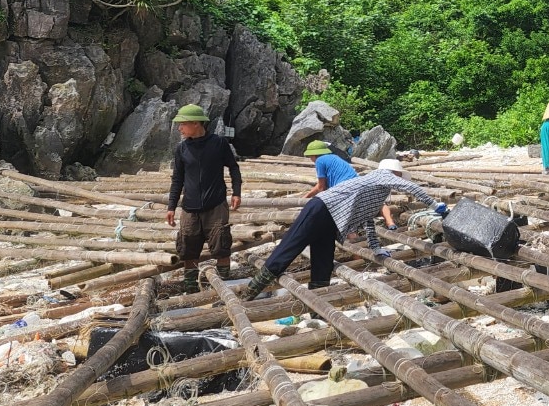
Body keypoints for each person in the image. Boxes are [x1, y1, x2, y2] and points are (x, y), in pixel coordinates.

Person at [241, 158, 445, 299]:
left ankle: (317, 301)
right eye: (398, 175)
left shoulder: (379, 190)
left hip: (332, 218)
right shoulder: (382, 175)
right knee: (290, 247)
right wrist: (435, 205)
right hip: (321, 207)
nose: (399, 179)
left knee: (323, 259)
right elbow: (413, 188)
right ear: (395, 172)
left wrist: (376, 249)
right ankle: (250, 291)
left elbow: (368, 221)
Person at [166, 104, 242, 293]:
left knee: (221, 247)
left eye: (182, 124)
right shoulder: (181, 149)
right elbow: (177, 179)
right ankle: (192, 289)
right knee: (187, 250)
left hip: (216, 206)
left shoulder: (218, 143)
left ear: (196, 123)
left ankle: (223, 287)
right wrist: (171, 206)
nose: (179, 128)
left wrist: (236, 192)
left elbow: (233, 167)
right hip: (189, 208)